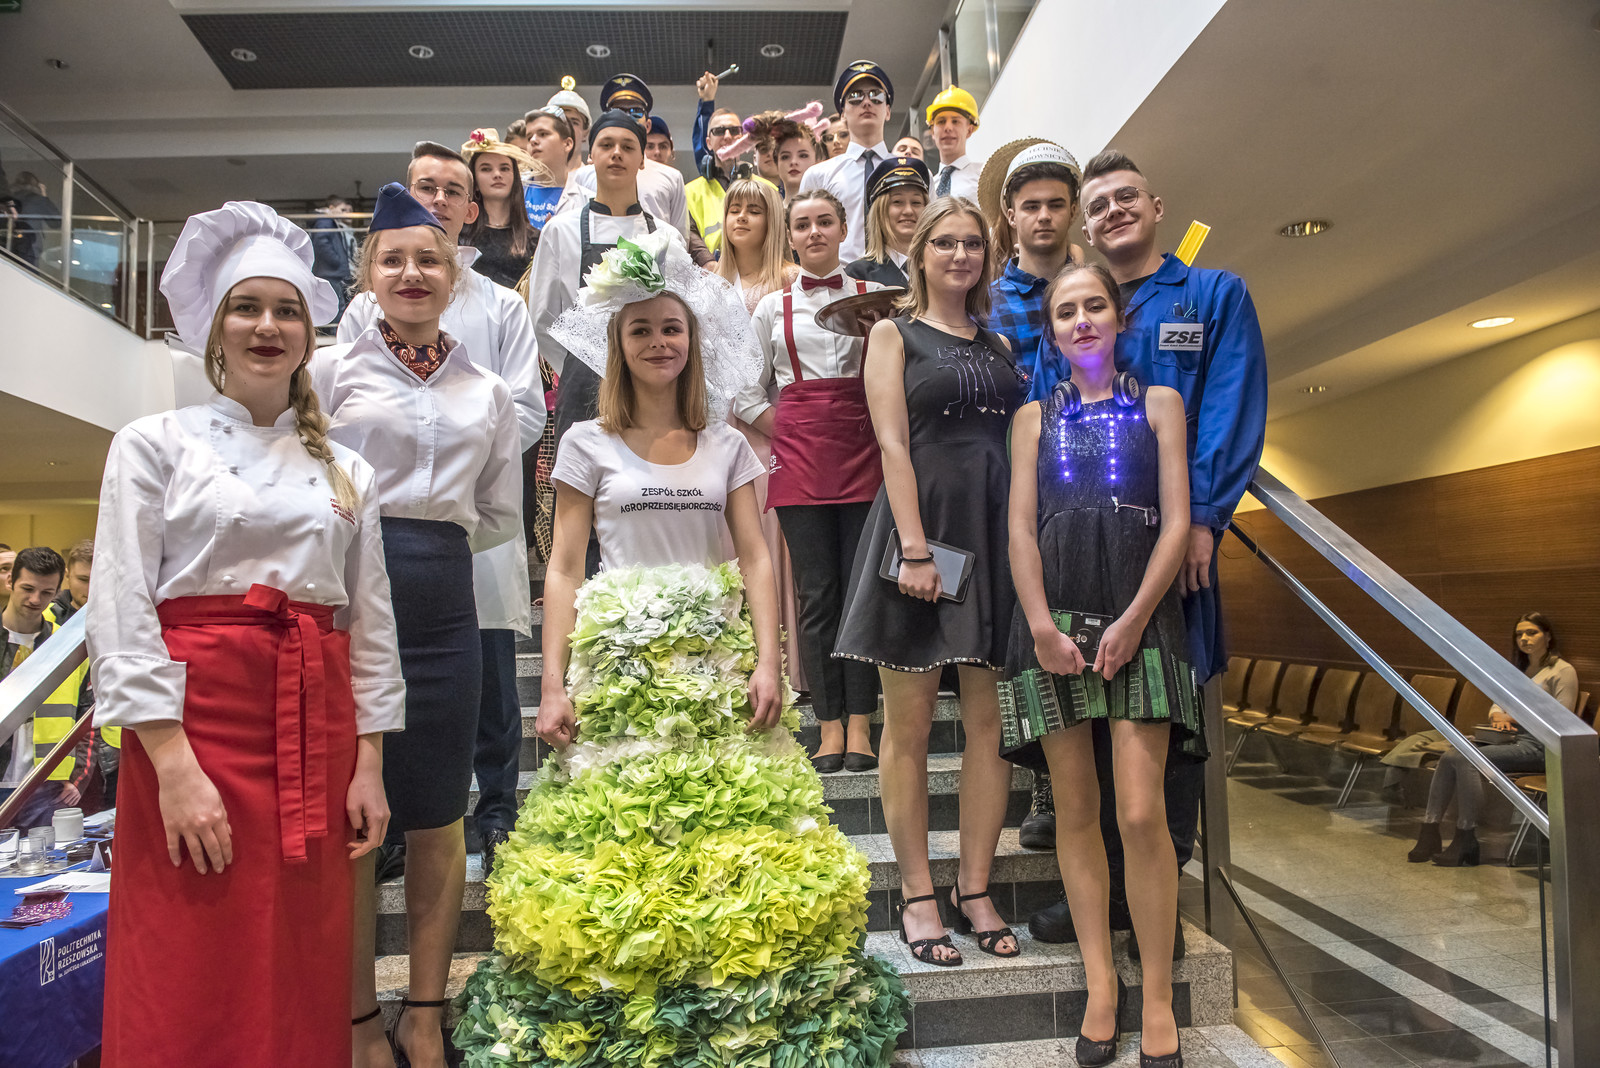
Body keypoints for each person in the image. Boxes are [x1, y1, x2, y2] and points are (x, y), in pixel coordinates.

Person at [88, 201, 401, 1067]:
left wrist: (369, 762)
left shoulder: (349, 468)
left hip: (316, 727)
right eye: (247, 308)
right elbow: (121, 606)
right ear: (213, 327)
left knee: (302, 951)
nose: (267, 327)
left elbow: (369, 621)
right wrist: (171, 764)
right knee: (185, 947)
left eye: (287, 310)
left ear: (309, 334)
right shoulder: (153, 444)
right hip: (193, 726)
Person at [1028, 149, 1267, 964]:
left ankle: (1157, 899)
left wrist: (1204, 516)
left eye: (1126, 197)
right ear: (1086, 227)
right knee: (1088, 715)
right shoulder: (1078, 306)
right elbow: (1044, 417)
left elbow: (1229, 404)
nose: (1113, 211)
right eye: (1098, 205)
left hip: (1171, 545)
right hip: (1080, 550)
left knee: (1170, 707)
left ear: (1157, 206)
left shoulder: (1213, 295)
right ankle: (1097, 895)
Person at [316, 183, 522, 1068]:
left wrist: (429, 544)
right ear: (368, 274)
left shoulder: (487, 389)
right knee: (355, 821)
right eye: (393, 259)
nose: (411, 273)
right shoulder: (328, 372)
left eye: (428, 260)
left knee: (439, 814)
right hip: (347, 595)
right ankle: (359, 1019)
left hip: (444, 595)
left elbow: (498, 510)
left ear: (453, 276)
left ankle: (425, 1012)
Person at [1005, 262, 1198, 1067]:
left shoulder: (1161, 404)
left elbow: (1178, 523)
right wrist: (1040, 626)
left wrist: (1135, 619)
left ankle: (1157, 996)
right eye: (1065, 311)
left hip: (1140, 620)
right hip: (1054, 625)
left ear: (1119, 319)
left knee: (1142, 815)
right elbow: (1020, 529)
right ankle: (1099, 985)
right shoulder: (1031, 418)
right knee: (1076, 813)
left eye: (1094, 307)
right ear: (1050, 331)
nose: (1081, 320)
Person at [340, 146, 547, 886]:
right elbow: (342, 425)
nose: (436, 200)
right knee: (380, 681)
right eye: (424, 187)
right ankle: (393, 822)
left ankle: (496, 808)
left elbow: (525, 408)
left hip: (470, 525)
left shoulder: (502, 305)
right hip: (376, 540)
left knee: (486, 681)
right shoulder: (363, 311)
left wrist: (459, 456)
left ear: (469, 210)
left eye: (451, 191)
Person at [835, 197, 1027, 965]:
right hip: (921, 535)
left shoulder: (1003, 343)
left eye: (972, 243)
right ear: (919, 254)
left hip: (994, 537)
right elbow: (891, 443)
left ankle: (974, 888)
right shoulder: (893, 333)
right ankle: (919, 894)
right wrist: (914, 549)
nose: (960, 254)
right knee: (908, 727)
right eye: (944, 242)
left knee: (991, 728)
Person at [736, 190, 885, 774]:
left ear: (844, 229)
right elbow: (744, 391)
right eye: (803, 224)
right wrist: (790, 428)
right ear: (790, 235)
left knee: (862, 591)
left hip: (866, 446)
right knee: (817, 592)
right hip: (799, 453)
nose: (815, 232)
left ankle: (862, 722)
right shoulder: (770, 308)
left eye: (825, 221)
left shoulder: (879, 298)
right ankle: (828, 723)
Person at [977, 140, 1086, 847]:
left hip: (1088, 488)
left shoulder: (1093, 290)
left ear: (1072, 212)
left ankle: (1078, 782)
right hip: (1008, 489)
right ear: (1010, 216)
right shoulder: (985, 299)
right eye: (1030, 206)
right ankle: (1044, 784)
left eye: (1055, 205)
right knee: (1024, 638)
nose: (1043, 217)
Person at [529, 111, 688, 457]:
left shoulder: (667, 236)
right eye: (606, 145)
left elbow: (681, 317)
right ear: (591, 155)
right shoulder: (560, 230)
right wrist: (582, 365)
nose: (617, 153)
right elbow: (543, 319)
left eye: (628, 147)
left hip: (652, 390)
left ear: (642, 160)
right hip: (582, 386)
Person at [1407, 612, 1580, 868]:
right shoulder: (1517, 670)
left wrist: (1513, 716)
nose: (1524, 639)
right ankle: (1430, 830)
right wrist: (1498, 715)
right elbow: (1497, 703)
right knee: (1450, 755)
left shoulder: (1562, 671)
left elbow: (1562, 717)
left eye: (1531, 632)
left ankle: (1466, 835)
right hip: (1508, 739)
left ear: (1548, 636)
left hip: (1540, 747)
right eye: (1519, 634)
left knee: (1465, 759)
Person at [0, 547, 93, 831]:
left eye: (46, 592)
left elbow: (87, 715)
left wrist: (77, 776)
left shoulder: (66, 646)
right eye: (28, 589)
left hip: (44, 784)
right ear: (10, 582)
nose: (35, 599)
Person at [563, 75, 689, 236]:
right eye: (617, 111)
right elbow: (574, 231)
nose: (626, 118)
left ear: (648, 125)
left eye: (635, 112)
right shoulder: (583, 176)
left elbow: (679, 238)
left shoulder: (671, 178)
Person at [799, 61, 894, 263]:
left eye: (876, 96)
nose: (866, 102)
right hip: (840, 278)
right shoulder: (818, 176)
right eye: (855, 97)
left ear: (887, 110)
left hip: (901, 278)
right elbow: (805, 236)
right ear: (842, 113)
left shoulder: (911, 171)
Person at [459, 127, 547, 289]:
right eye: (486, 169)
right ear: (474, 182)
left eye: (505, 168)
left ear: (515, 178)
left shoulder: (536, 239)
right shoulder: (459, 235)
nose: (497, 174)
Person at [846, 155, 930, 287]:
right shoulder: (859, 274)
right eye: (897, 202)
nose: (908, 211)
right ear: (880, 211)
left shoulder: (942, 266)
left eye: (916, 202)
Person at [522, 107, 576, 229]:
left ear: (567, 144)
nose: (533, 141)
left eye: (543, 134)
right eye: (529, 137)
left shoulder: (586, 200)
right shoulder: (514, 191)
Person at [925, 87, 983, 201]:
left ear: (969, 130)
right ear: (932, 131)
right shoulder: (928, 187)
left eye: (955, 121)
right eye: (941, 121)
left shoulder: (984, 178)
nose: (948, 128)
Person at [310, 195, 358, 317]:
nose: (346, 214)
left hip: (333, 272)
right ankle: (337, 329)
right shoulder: (325, 221)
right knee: (338, 307)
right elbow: (321, 243)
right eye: (342, 210)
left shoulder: (329, 222)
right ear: (331, 208)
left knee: (339, 306)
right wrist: (337, 261)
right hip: (332, 272)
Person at [546, 83, 592, 168]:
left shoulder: (593, 176)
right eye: (559, 121)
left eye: (574, 122)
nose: (567, 127)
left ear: (585, 133)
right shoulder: (532, 176)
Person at [773, 122, 821, 200]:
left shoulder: (833, 205)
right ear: (776, 163)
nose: (793, 162)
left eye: (803, 156)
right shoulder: (769, 208)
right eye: (785, 157)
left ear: (818, 160)